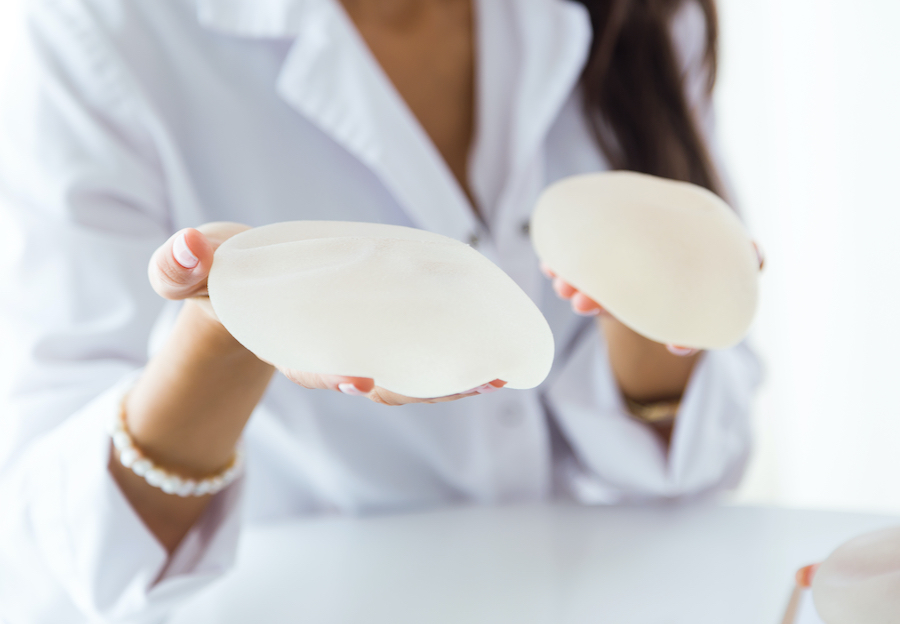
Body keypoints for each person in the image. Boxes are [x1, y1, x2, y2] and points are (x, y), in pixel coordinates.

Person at [0, 0, 761, 622]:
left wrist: (656, 297)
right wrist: (227, 332)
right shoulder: (100, 34)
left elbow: (697, 466)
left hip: (601, 593)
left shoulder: (644, 18)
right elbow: (66, 555)